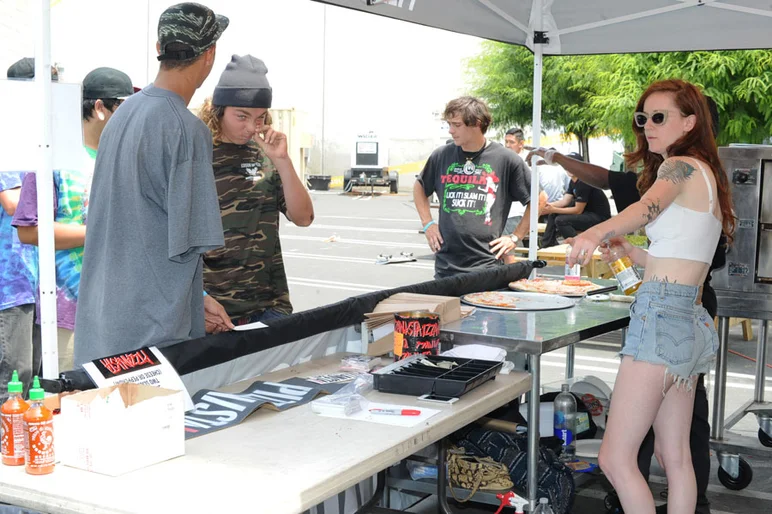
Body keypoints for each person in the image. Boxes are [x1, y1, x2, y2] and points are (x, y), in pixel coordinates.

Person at [528, 94, 723, 514]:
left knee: (615, 459)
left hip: (663, 318)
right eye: (642, 116)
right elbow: (683, 260)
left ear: (689, 122)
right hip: (690, 318)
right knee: (677, 459)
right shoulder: (708, 176)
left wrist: (592, 233)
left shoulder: (680, 166)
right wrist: (631, 252)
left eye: (658, 116)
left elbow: (641, 208)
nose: (646, 125)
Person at [73, 2, 232, 365]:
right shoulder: (185, 129)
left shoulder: (123, 113)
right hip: (152, 338)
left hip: (105, 324)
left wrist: (199, 298)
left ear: (159, 49)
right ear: (210, 54)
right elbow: (191, 242)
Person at [11, 67, 134, 374]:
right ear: (100, 108)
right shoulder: (53, 156)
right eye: (125, 107)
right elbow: (29, 230)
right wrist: (97, 233)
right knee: (68, 402)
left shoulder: (124, 156)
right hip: (67, 316)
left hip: (121, 310)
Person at [198, 54, 314, 329]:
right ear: (218, 110)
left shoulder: (267, 156)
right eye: (242, 116)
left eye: (260, 118)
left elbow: (304, 218)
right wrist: (196, 300)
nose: (252, 127)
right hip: (214, 313)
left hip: (270, 308)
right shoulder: (197, 156)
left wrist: (282, 161)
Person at [414, 97, 532, 278]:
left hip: (486, 267)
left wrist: (515, 237)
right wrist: (428, 223)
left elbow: (539, 199)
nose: (451, 131)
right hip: (446, 268)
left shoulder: (505, 159)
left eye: (456, 125)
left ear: (476, 124)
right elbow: (420, 186)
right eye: (449, 124)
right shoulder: (442, 155)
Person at [539, 152, 611, 248]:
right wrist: (546, 206)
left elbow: (578, 210)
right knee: (553, 215)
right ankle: (547, 245)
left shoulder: (584, 182)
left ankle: (578, 246)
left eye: (572, 165)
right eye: (567, 165)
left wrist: (553, 209)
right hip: (587, 214)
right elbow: (565, 201)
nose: (569, 168)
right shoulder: (573, 181)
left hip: (599, 218)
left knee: (561, 220)